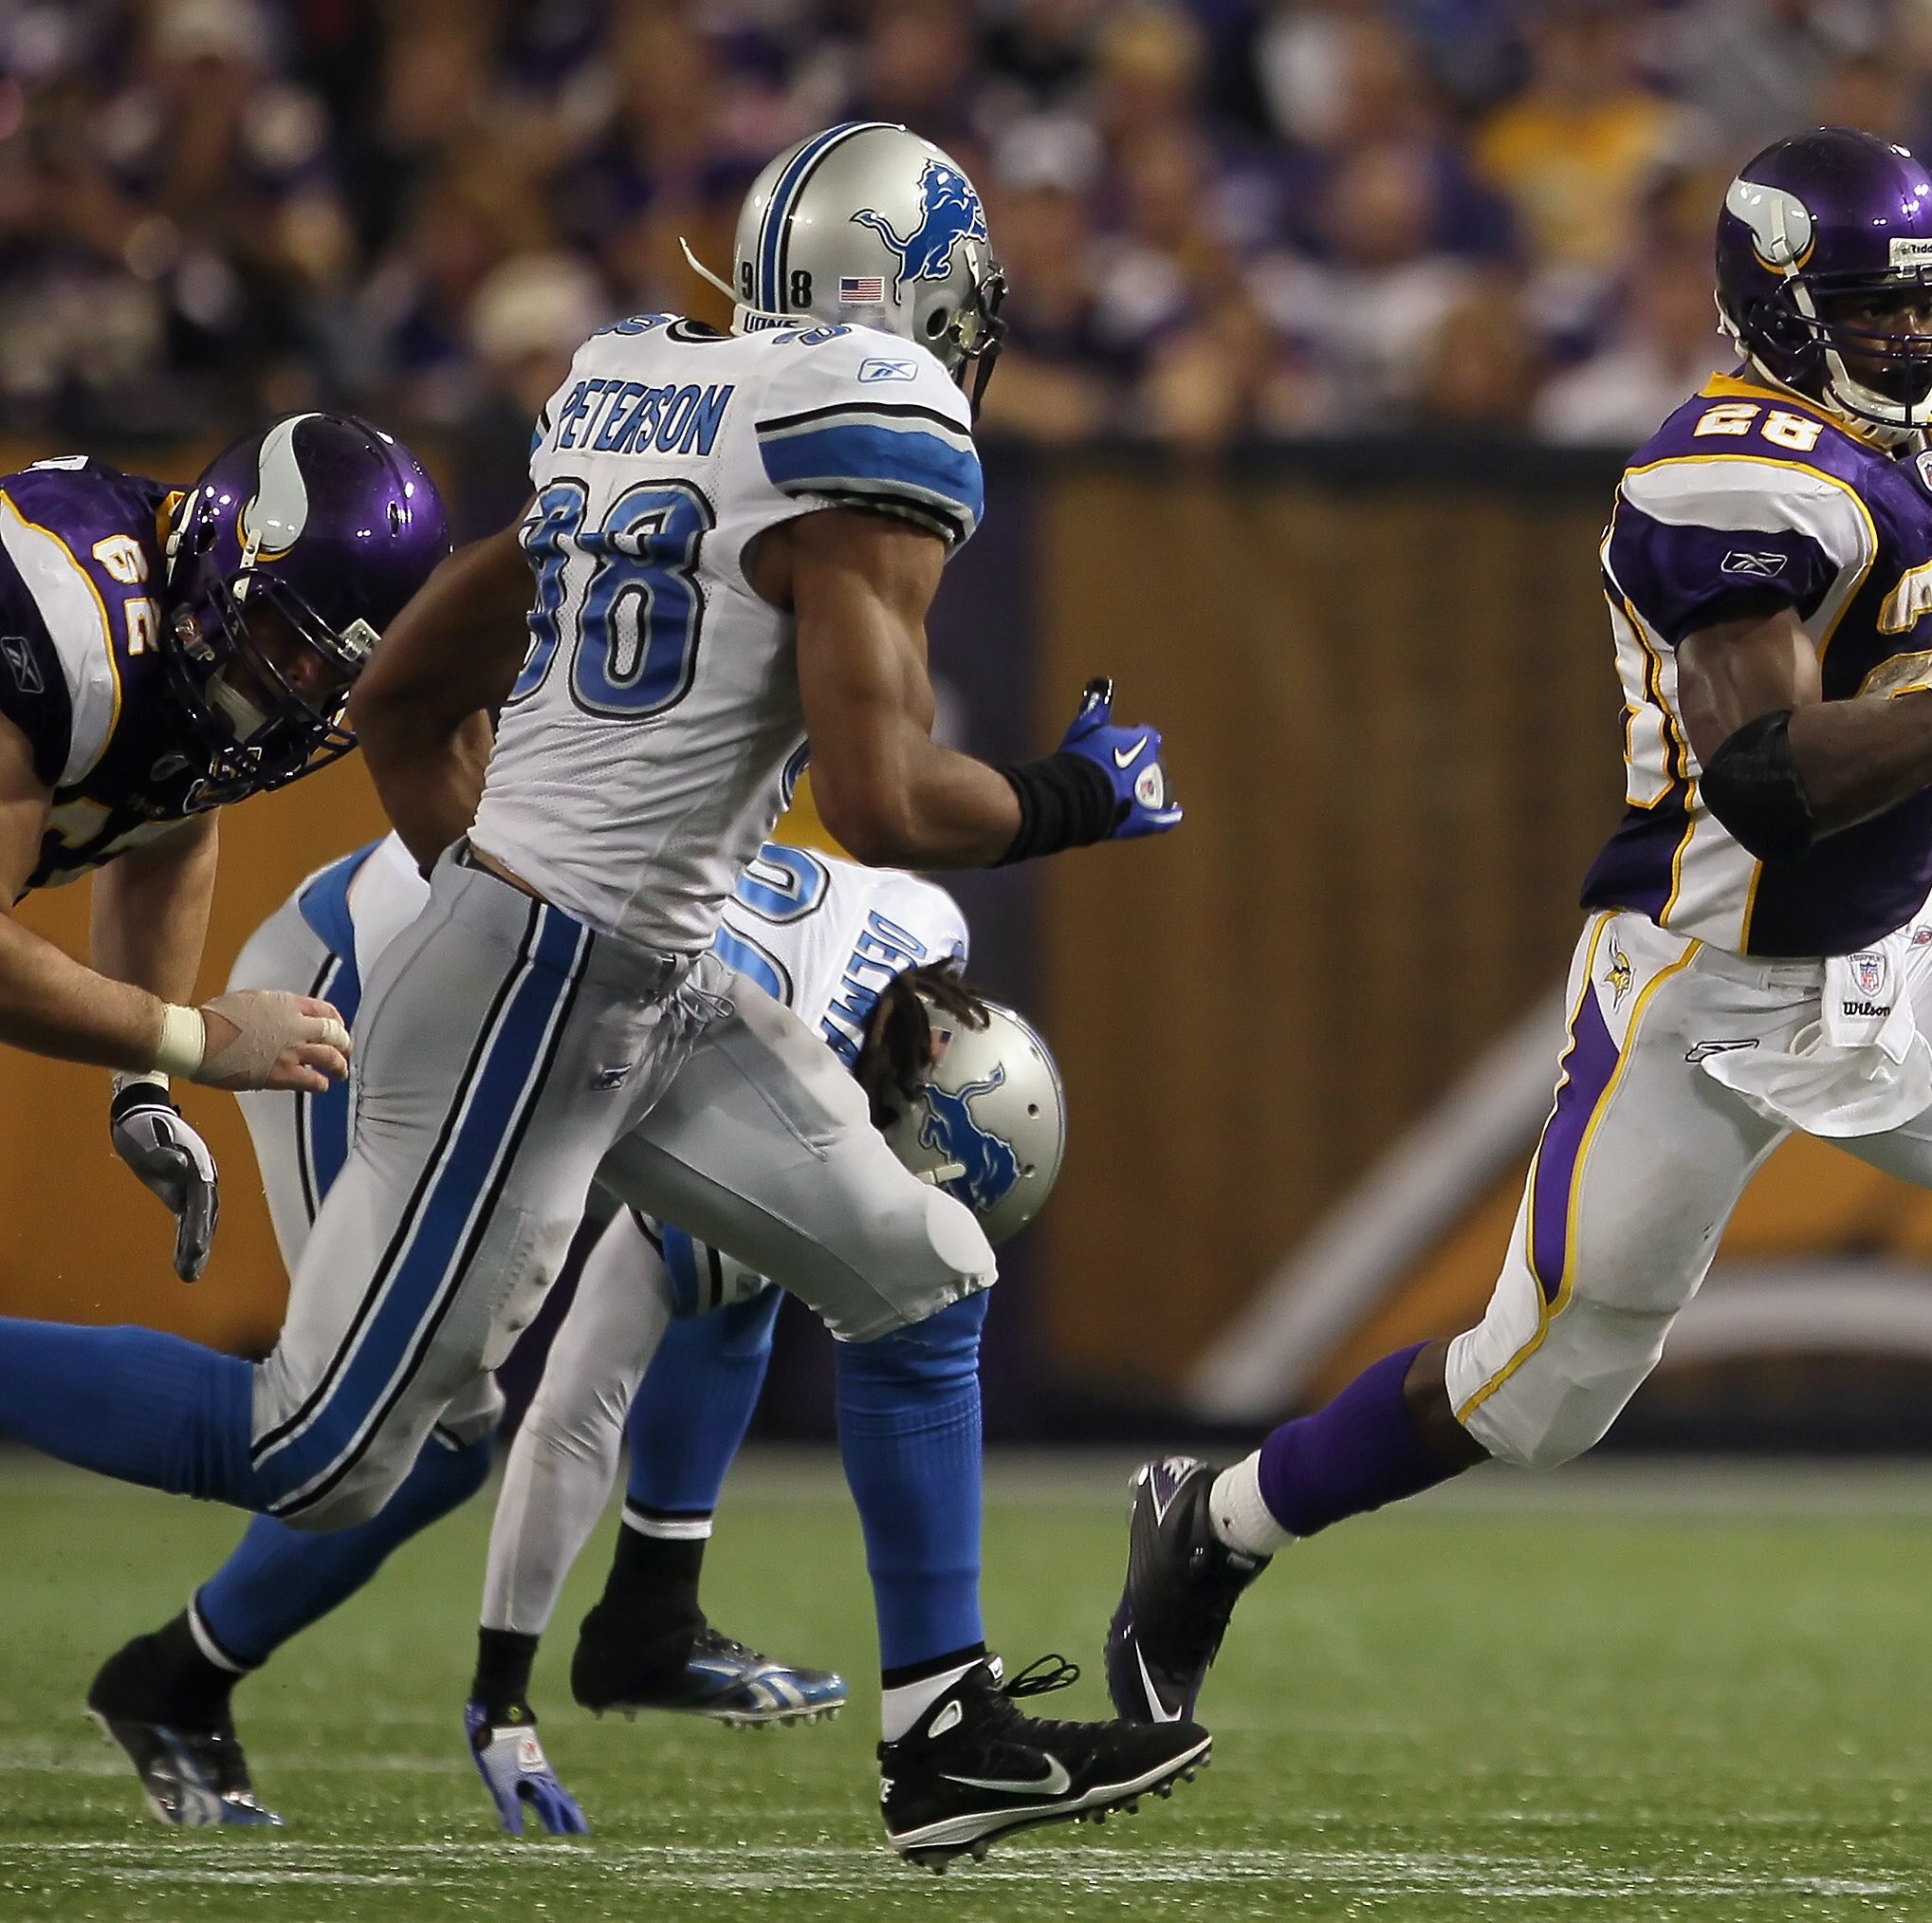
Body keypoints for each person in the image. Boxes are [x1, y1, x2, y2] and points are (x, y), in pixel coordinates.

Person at [0, 120, 1210, 1863]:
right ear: (903, 294)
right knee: (319, 1452)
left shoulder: (639, 388)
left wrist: (492, 876)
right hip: (561, 972)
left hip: (624, 959)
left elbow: (409, 698)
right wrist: (1085, 790)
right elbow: (883, 799)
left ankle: (941, 1732)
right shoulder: (864, 429)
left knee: (924, 1267)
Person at [1104, 128, 1932, 1773]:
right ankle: (1218, 1520)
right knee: (1534, 1393)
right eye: (1876, 311)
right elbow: (1768, 787)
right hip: (1705, 984)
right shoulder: (1721, 479)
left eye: (1928, 306)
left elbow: (1916, 666)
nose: (1916, 340)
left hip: (1899, 946)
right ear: (1775, 309)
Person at [83, 837, 998, 1835]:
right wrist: (502, 1692)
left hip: (505, 959)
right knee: (390, 1435)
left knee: (727, 1286)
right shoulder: (786, 1076)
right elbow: (578, 1395)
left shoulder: (927, 927)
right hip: (364, 987)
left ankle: (652, 1609)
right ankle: (169, 1678)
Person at [0, 416, 446, 1284]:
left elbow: (170, 816)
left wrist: (143, 1081)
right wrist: (193, 1039)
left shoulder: (199, 653)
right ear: (221, 545)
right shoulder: (63, 613)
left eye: (332, 670)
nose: (297, 685)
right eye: (286, 636)